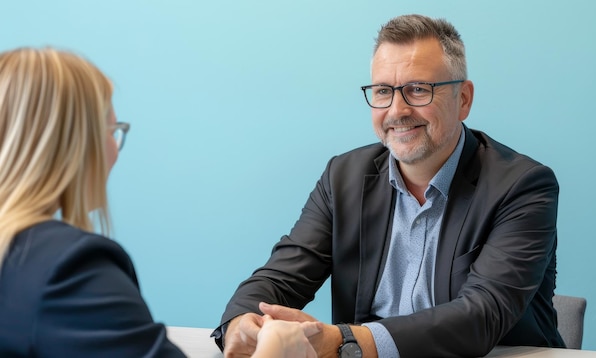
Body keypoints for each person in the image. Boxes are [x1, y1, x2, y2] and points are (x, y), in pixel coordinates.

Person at [213, 14, 566, 358]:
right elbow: (282, 276)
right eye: (383, 91)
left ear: (463, 100)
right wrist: (243, 322)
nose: (397, 110)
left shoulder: (522, 186)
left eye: (418, 89)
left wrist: (342, 342)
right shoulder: (344, 176)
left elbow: (481, 315)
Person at [0, 47, 320, 357]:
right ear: (78, 143)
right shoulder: (70, 266)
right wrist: (279, 348)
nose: (115, 149)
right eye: (113, 130)